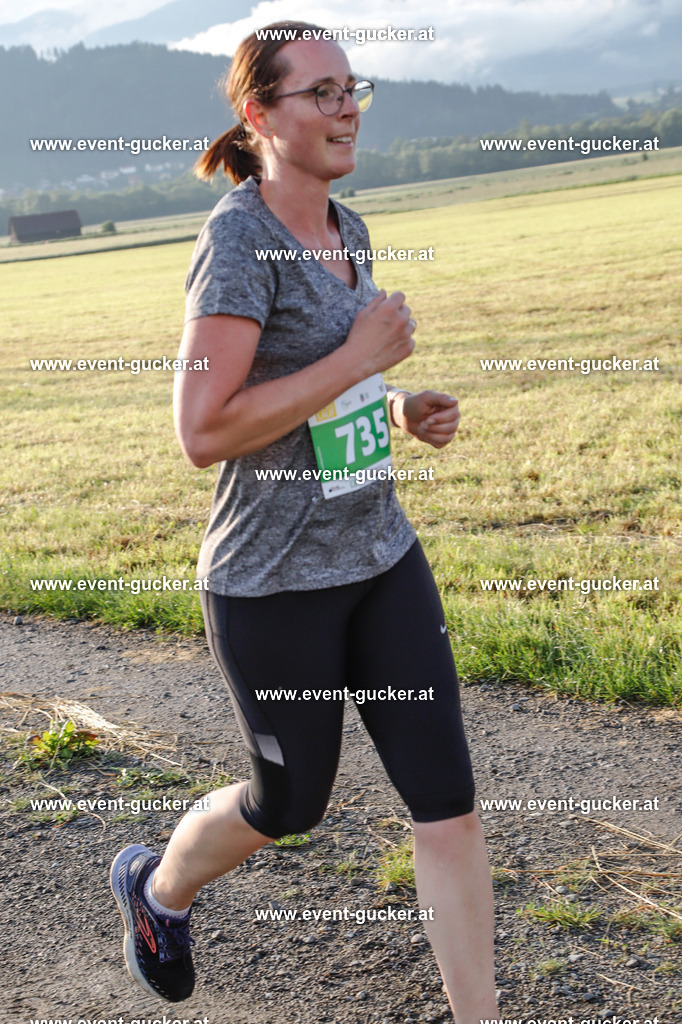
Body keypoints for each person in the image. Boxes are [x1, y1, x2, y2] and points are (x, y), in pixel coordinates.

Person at [110, 21, 499, 1023]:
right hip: (272, 582)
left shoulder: (347, 228)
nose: (344, 108)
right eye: (318, 93)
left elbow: (327, 393)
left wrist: (401, 405)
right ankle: (159, 890)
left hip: (379, 554)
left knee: (446, 808)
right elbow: (203, 430)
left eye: (350, 88)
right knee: (291, 804)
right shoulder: (238, 245)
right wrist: (359, 356)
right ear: (258, 115)